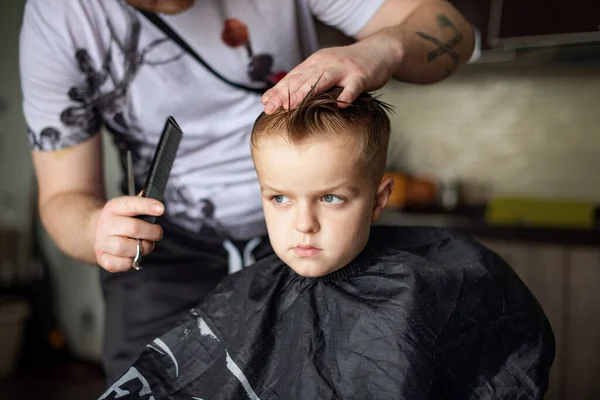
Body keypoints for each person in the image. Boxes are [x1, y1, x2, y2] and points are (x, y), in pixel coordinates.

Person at [19, 0, 476, 382]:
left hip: (302, 259)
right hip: (164, 254)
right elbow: (64, 197)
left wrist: (383, 49)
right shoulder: (62, 20)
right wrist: (97, 229)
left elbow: (453, 30)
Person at [98, 87, 555, 399]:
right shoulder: (248, 292)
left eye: (331, 198)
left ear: (378, 201)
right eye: (279, 197)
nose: (304, 224)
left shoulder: (430, 287)